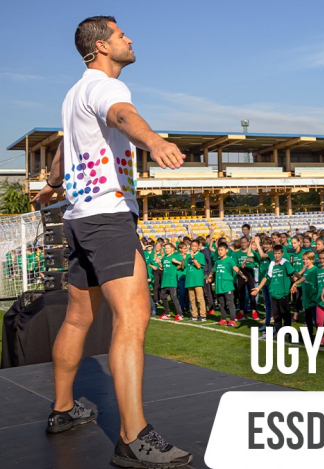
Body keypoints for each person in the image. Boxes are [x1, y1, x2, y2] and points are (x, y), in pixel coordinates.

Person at [31, 16, 192, 467]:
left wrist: (52, 185)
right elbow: (123, 115)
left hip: (79, 218)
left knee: (78, 318)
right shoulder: (107, 87)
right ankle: (133, 437)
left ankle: (63, 409)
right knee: (132, 317)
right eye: (121, 35)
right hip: (107, 216)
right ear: (102, 46)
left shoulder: (74, 93)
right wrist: (154, 141)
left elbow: (65, 149)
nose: (130, 39)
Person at [208, 242, 247, 327]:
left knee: (230, 303)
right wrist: (210, 276)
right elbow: (213, 270)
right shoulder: (218, 261)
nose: (220, 252)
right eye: (219, 250)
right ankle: (223, 319)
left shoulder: (229, 260)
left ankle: (232, 320)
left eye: (221, 250)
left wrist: (242, 275)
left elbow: (235, 268)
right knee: (222, 303)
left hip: (227, 285)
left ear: (226, 250)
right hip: (219, 286)